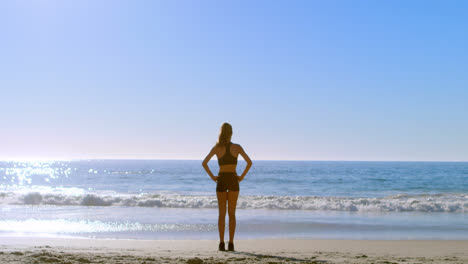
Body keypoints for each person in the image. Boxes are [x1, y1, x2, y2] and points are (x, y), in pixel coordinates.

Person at [202, 122, 252, 251]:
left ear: (221, 133)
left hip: (222, 180)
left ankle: (221, 243)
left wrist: (213, 177)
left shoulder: (217, 148)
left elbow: (204, 163)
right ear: (231, 133)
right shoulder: (237, 147)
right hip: (233, 180)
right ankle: (231, 243)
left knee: (222, 214)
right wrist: (241, 177)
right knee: (232, 214)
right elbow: (249, 162)